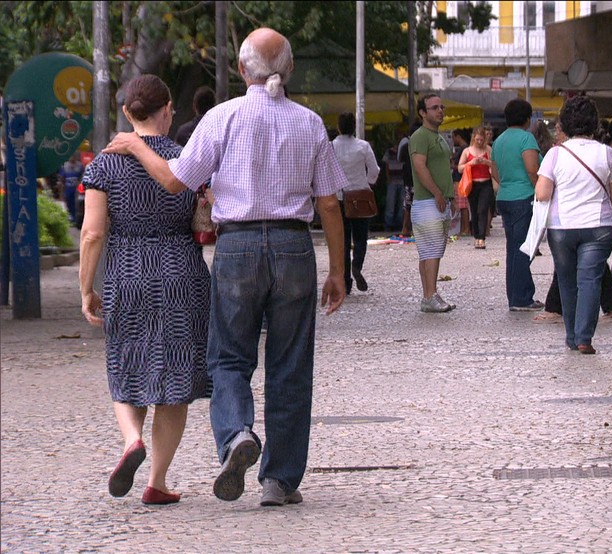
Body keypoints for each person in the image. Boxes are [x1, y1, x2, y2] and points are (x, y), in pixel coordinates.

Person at [103, 27, 348, 507]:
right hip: (294, 245)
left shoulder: (221, 117)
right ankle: (279, 481)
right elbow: (331, 205)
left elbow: (175, 182)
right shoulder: (309, 123)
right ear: (290, 69)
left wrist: (135, 146)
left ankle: (237, 435)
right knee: (290, 364)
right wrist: (338, 270)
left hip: (236, 247)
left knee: (228, 357)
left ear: (241, 70)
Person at [79, 74, 210, 506]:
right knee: (175, 376)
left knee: (126, 361)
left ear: (126, 113)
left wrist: (86, 288)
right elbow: (203, 221)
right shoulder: (186, 159)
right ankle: (157, 480)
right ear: (168, 108)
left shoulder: (104, 164)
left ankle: (131, 440)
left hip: (128, 270)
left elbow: (93, 234)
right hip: (179, 270)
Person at [535, 96, 612, 354]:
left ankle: (572, 336)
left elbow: (542, 193)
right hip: (599, 226)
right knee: (590, 279)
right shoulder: (607, 153)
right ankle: (585, 337)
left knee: (566, 280)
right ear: (594, 123)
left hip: (562, 228)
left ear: (564, 123)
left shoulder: (555, 154)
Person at [491, 99, 544, 312]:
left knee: (513, 248)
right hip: (524, 197)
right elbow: (532, 168)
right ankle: (522, 298)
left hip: (504, 197)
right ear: (527, 118)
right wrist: (539, 191)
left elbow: (494, 172)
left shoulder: (499, 140)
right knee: (524, 248)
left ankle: (515, 295)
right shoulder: (526, 138)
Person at [409, 94, 457, 312]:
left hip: (439, 201)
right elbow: (420, 167)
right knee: (432, 251)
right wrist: (437, 193)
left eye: (441, 107)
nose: (440, 111)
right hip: (428, 202)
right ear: (423, 112)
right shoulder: (420, 137)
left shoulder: (438, 137)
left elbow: (444, 169)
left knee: (431, 251)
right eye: (434, 107)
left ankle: (429, 294)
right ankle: (430, 295)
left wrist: (450, 196)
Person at [333, 111, 380, 294]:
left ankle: (345, 281)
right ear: (354, 127)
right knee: (361, 239)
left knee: (342, 241)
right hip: (360, 196)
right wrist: (366, 183)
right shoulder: (363, 146)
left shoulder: (331, 147)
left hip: (340, 198)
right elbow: (374, 169)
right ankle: (357, 265)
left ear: (338, 127)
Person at [458, 125, 497, 249]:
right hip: (472, 184)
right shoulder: (467, 151)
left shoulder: (488, 150)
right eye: (477, 140)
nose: (480, 142)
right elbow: (459, 168)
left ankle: (481, 237)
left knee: (483, 209)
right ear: (474, 138)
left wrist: (486, 162)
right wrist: (471, 163)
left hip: (485, 183)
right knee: (474, 211)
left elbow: (495, 164)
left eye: (482, 140)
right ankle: (476, 236)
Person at [382, 138, 406, 233]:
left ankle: (399, 223)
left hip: (401, 180)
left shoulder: (404, 151)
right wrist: (388, 178)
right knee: (390, 203)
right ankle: (389, 223)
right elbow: (386, 165)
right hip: (392, 180)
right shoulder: (389, 152)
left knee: (401, 203)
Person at [450, 128, 472, 237]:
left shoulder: (464, 149)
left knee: (463, 205)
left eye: (453, 137)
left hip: (460, 180)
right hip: (460, 180)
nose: (453, 140)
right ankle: (464, 228)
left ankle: (466, 228)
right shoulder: (464, 148)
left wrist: (453, 165)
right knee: (463, 205)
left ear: (458, 136)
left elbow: (461, 166)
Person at [58, 152, 83, 224]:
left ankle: (75, 220)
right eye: (70, 156)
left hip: (77, 189)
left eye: (73, 156)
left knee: (76, 204)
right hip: (68, 189)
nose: (72, 158)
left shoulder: (80, 166)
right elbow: (61, 180)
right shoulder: (65, 166)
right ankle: (69, 219)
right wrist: (61, 193)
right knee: (68, 202)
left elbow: (82, 178)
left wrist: (81, 190)